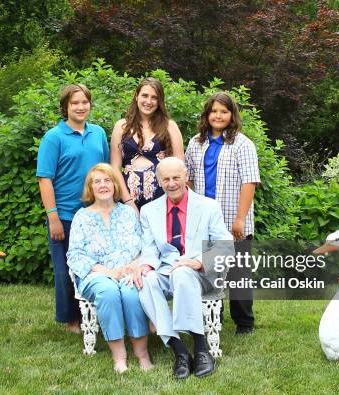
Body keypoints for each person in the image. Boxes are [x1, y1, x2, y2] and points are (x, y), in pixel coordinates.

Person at [132, 157, 234, 379]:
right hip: (167, 270)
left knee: (182, 273)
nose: (171, 183)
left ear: (186, 176)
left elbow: (226, 246)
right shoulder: (149, 211)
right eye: (166, 179)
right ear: (159, 182)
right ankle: (180, 351)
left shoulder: (208, 206)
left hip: (200, 273)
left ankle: (200, 348)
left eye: (176, 177)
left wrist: (199, 261)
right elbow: (149, 249)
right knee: (146, 280)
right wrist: (146, 265)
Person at [185, 92, 261, 335]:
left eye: (224, 111)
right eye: (214, 111)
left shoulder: (242, 144)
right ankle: (212, 316)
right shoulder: (196, 142)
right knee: (209, 270)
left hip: (233, 219)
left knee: (238, 274)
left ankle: (244, 323)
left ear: (232, 115)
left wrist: (240, 218)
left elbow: (250, 182)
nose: (218, 116)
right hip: (205, 222)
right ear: (207, 114)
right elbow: (187, 178)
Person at [36, 84, 110, 333]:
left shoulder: (98, 133)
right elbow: (45, 178)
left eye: (85, 102)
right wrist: (53, 217)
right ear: (65, 107)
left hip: (96, 213)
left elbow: (106, 171)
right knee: (66, 270)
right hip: (65, 215)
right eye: (75, 103)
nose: (80, 107)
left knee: (96, 265)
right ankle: (71, 320)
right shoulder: (53, 137)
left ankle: (96, 313)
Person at [67, 163, 151, 373]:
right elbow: (75, 255)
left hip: (128, 271)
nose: (103, 185)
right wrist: (108, 272)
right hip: (95, 275)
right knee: (109, 292)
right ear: (90, 188)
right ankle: (119, 356)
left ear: (115, 185)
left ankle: (142, 354)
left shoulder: (128, 214)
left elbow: (143, 245)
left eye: (107, 181)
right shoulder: (82, 217)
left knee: (132, 292)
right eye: (97, 182)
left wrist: (135, 265)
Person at [110, 77, 184, 211]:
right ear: (136, 96)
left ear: (160, 101)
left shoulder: (170, 126)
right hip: (126, 202)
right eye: (145, 95)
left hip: (162, 201)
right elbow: (115, 167)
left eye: (154, 97)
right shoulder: (121, 126)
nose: (148, 101)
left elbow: (180, 168)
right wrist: (127, 201)